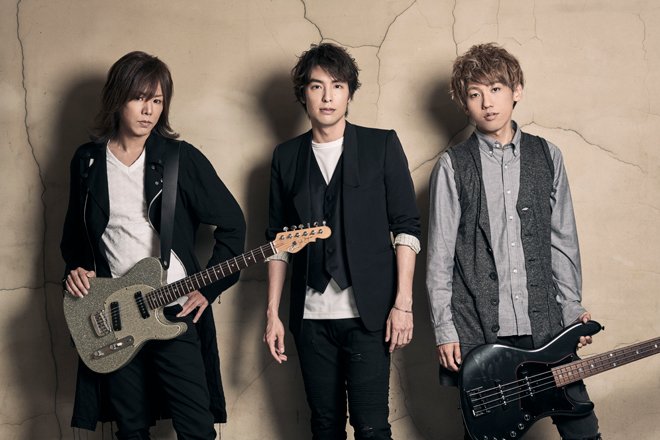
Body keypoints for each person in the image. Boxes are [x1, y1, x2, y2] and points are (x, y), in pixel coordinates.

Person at [60, 51, 246, 440]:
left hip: (172, 308)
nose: (149, 110)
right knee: (131, 430)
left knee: (196, 428)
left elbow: (233, 224)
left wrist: (208, 289)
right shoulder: (87, 162)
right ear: (117, 99)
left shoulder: (179, 159)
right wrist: (75, 271)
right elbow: (75, 239)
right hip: (114, 314)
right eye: (139, 98)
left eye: (157, 100)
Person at [426, 42, 601, 440]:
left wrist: (572, 308)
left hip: (546, 326)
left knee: (583, 431)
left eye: (496, 88)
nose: (487, 102)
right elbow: (439, 258)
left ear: (516, 90)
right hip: (480, 329)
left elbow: (563, 241)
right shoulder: (452, 166)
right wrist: (444, 328)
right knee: (489, 434)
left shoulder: (548, 155)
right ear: (464, 103)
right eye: (475, 94)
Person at [263, 43, 421, 439]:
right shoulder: (286, 157)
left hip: (369, 316)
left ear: (350, 92)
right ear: (303, 94)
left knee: (372, 428)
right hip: (310, 319)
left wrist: (403, 304)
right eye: (317, 86)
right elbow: (277, 243)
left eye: (337, 86)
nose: (328, 96)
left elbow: (406, 227)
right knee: (324, 428)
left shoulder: (381, 145)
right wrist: (272, 313)